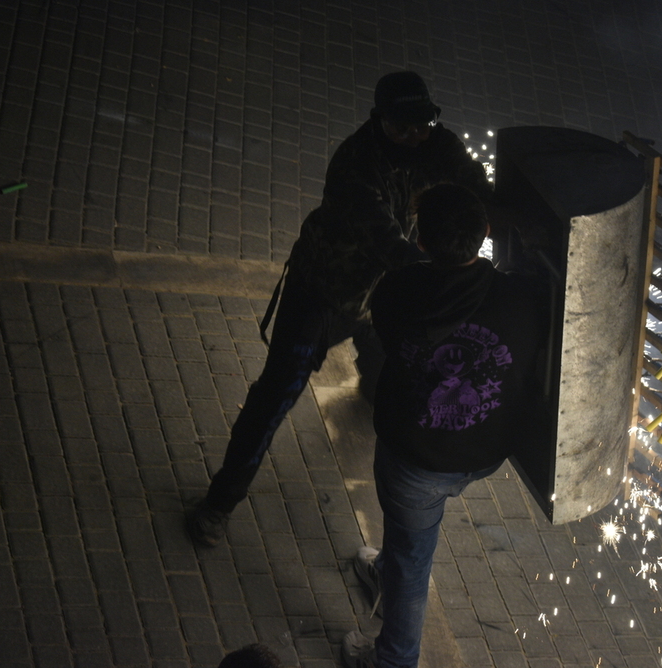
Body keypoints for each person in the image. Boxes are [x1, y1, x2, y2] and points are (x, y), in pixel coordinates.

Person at [186, 72, 494, 547]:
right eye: (402, 129)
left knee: (381, 371)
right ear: (380, 121)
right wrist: (462, 270)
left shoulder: (440, 146)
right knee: (274, 396)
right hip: (324, 293)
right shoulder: (356, 165)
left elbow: (478, 190)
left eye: (422, 126)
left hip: (380, 300)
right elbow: (394, 249)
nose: (414, 137)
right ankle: (219, 503)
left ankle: (370, 391)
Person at [342, 184, 550, 668]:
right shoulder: (524, 296)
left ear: (421, 241)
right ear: (485, 232)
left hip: (416, 462)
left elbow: (390, 341)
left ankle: (393, 660)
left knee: (415, 555)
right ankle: (387, 576)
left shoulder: (400, 288)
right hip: (482, 452)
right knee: (406, 544)